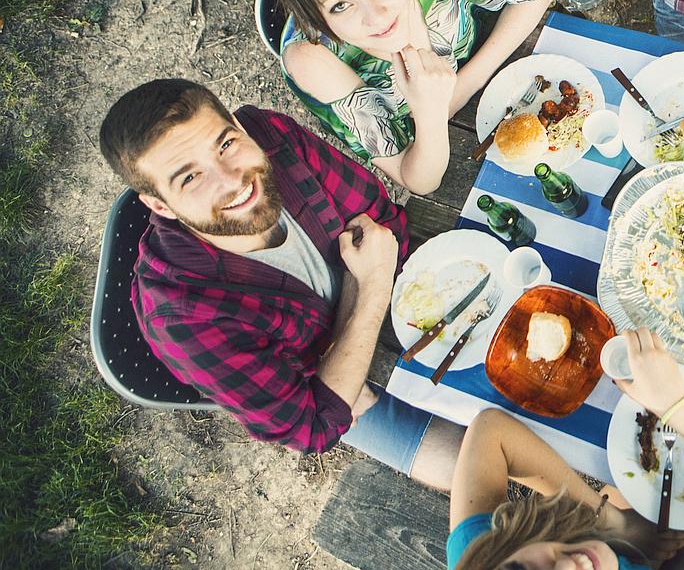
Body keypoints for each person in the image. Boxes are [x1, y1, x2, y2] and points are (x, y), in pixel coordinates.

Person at [99, 79, 463, 488]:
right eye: (190, 178)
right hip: (343, 395)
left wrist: (340, 369)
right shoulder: (182, 319)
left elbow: (384, 221)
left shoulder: (273, 137)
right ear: (159, 205)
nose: (232, 180)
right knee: (475, 467)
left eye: (225, 144)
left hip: (374, 341)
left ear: (238, 124)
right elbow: (313, 426)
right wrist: (372, 284)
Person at [447, 329, 684, 570]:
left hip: (620, 543)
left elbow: (489, 431)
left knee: (639, 498)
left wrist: (612, 522)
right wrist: (675, 405)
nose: (569, 568)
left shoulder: (478, 565)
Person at [267, 0, 557, 194]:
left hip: (499, 60)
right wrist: (430, 112)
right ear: (317, 20)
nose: (376, 15)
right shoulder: (312, 58)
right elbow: (419, 180)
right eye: (340, 5)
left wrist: (458, 91)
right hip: (439, 138)